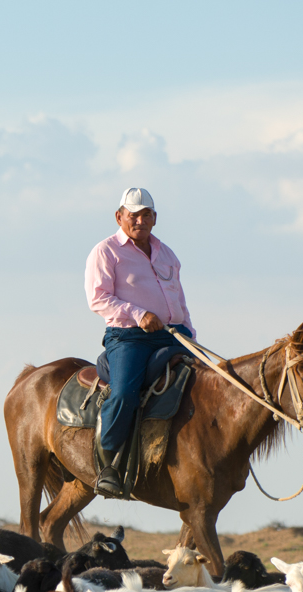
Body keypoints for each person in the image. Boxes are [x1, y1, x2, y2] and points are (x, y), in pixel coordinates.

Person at [83, 187, 196, 498]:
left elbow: (179, 301)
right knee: (124, 394)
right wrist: (138, 313)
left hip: (172, 333)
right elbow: (98, 298)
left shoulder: (167, 254)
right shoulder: (105, 251)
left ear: (155, 218)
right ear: (119, 217)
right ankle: (109, 465)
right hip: (128, 336)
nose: (139, 220)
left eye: (146, 214)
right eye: (133, 214)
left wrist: (190, 334)